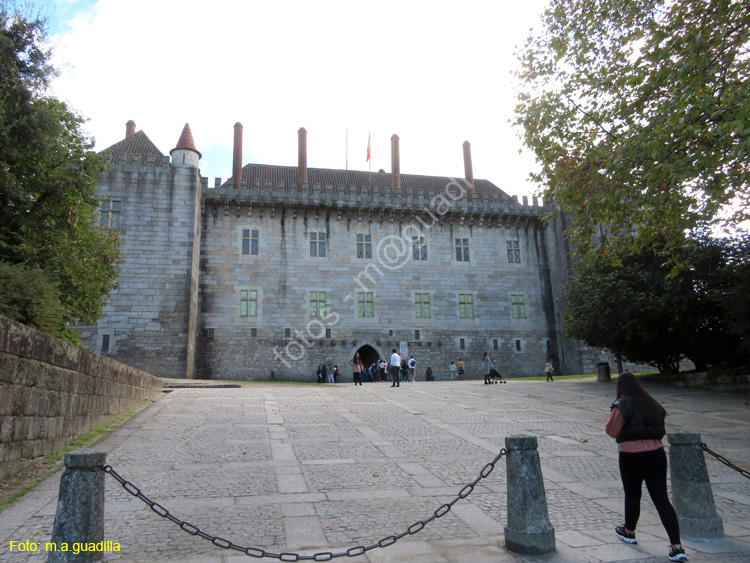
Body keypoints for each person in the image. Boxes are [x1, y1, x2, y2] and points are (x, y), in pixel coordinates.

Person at [605, 372, 687, 562]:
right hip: (656, 455)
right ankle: (677, 546)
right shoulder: (653, 404)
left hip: (631, 456)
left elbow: (612, 431)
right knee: (662, 500)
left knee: (633, 495)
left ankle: (629, 531)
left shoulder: (621, 406)